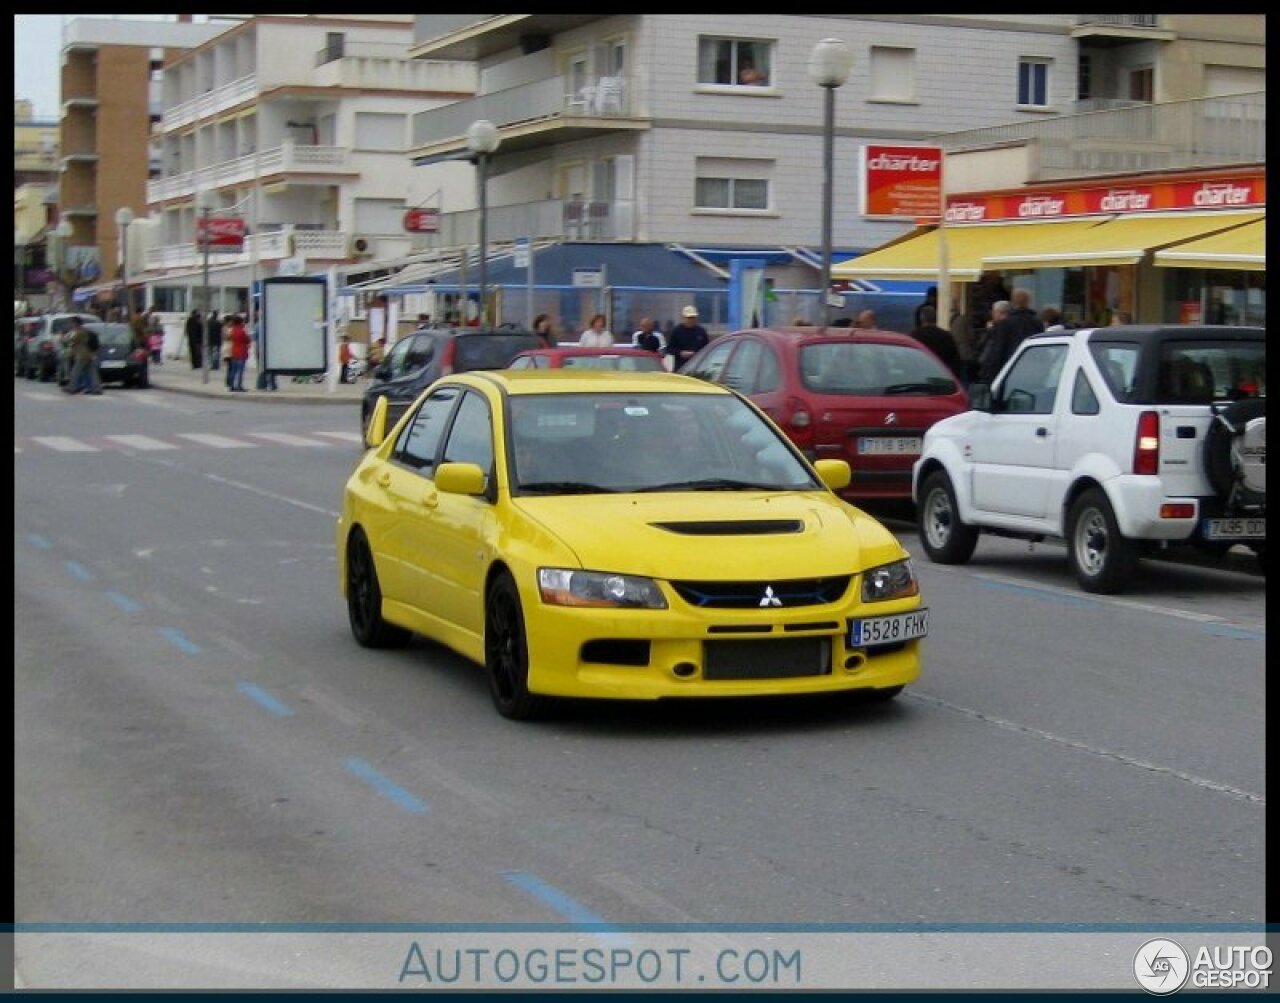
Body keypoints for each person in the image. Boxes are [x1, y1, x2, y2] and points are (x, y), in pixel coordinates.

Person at [978, 288, 1044, 383]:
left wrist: (989, 377)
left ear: (1013, 302)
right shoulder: (1037, 323)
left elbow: (998, 351)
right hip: (1032, 370)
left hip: (1010, 370)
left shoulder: (1005, 324)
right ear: (1029, 302)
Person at [909, 304, 962, 378]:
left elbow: (909, 361)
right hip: (941, 378)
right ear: (936, 318)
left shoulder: (914, 336)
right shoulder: (946, 336)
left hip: (919, 378)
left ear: (921, 319)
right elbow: (955, 363)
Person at [63, 315, 100, 395]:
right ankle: (96, 389)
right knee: (92, 372)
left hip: (82, 355)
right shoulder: (82, 331)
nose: (71, 324)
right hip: (89, 354)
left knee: (75, 371)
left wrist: (67, 337)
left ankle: (72, 387)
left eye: (72, 323)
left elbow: (71, 340)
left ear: (76, 323)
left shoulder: (80, 332)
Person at [665, 305, 709, 371]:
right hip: (681, 367)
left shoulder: (701, 331)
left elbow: (707, 348)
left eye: (693, 317)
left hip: (698, 368)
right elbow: (669, 349)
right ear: (683, 318)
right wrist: (680, 353)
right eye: (689, 317)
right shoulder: (676, 331)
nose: (691, 320)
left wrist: (697, 354)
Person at [949, 304, 977, 386]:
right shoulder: (965, 320)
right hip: (966, 354)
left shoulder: (952, 322)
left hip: (956, 355)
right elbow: (972, 336)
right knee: (967, 379)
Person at [225, 313, 251, 392]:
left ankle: (232, 385)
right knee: (240, 370)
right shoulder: (242, 330)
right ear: (240, 322)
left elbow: (229, 338)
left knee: (233, 370)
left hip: (234, 351)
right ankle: (239, 385)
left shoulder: (232, 330)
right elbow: (247, 340)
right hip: (241, 351)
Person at [253, 317, 278, 390]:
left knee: (261, 368)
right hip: (270, 349)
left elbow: (254, 337)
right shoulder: (272, 325)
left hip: (259, 348)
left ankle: (261, 384)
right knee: (271, 368)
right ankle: (272, 384)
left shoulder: (257, 325)